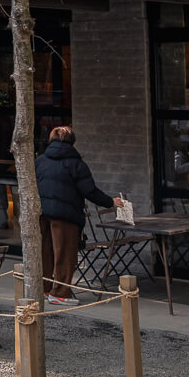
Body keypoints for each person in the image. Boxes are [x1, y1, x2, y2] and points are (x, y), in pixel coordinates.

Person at [35, 126, 125, 306]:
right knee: (65, 254)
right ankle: (60, 293)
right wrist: (110, 202)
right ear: (72, 142)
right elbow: (89, 190)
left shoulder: (40, 161)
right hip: (66, 215)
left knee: (44, 253)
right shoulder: (75, 164)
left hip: (42, 214)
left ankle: (44, 289)